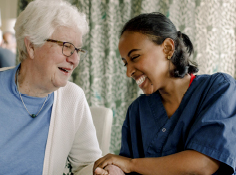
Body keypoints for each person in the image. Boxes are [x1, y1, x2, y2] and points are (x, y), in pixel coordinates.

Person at [0, 1, 104, 175]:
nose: (75, 59)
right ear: (31, 46)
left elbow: (85, 164)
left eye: (77, 50)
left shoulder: (73, 97)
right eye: (67, 47)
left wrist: (101, 170)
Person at [94, 12, 236, 175]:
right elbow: (126, 167)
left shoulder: (219, 89)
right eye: (125, 63)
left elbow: (204, 164)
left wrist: (131, 164)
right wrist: (114, 170)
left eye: (135, 57)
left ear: (168, 48)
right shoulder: (137, 110)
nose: (129, 72)